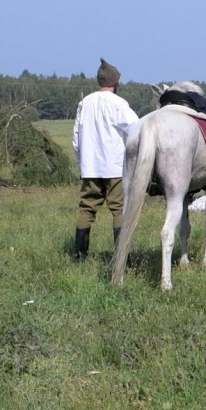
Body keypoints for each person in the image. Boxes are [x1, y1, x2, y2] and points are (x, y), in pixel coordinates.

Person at [71, 58, 139, 261]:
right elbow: (136, 129)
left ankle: (79, 256)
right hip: (115, 167)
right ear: (116, 82)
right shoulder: (118, 103)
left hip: (89, 167)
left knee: (86, 208)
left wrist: (81, 163)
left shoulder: (85, 103)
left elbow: (76, 138)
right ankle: (121, 257)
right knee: (119, 209)